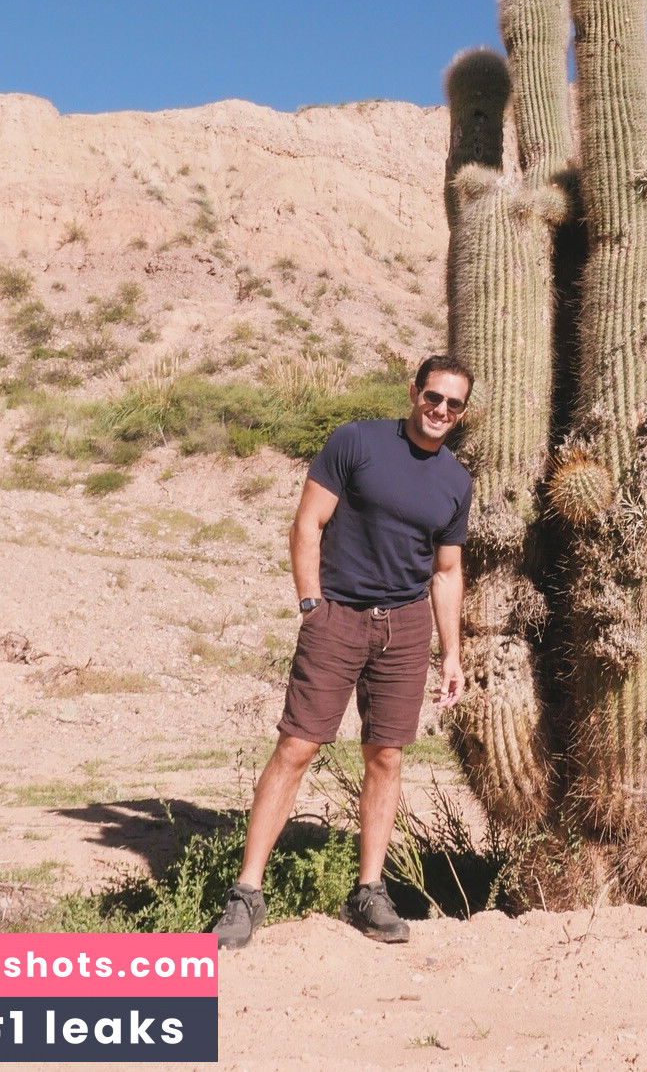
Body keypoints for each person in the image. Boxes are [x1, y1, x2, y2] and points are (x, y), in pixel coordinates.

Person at [212, 354, 474, 950]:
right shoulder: (356, 442)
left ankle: (369, 892)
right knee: (297, 745)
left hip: (405, 629)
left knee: (386, 756)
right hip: (338, 616)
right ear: (415, 391)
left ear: (462, 413)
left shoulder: (456, 482)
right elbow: (308, 523)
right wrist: (311, 604)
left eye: (453, 404)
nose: (440, 411)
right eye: (433, 397)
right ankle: (246, 894)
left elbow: (448, 571)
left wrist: (451, 652)